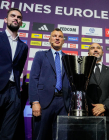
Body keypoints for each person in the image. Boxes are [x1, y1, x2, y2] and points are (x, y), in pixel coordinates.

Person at [29, 28, 71, 140]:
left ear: (63, 41)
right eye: (54, 36)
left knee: (62, 136)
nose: (57, 38)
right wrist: (35, 102)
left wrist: (70, 107)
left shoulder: (68, 59)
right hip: (43, 102)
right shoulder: (40, 55)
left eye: (60, 36)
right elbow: (33, 78)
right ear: (49, 39)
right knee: (41, 136)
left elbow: (71, 84)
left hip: (63, 103)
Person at [0, 8, 28, 140]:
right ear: (6, 20)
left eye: (19, 17)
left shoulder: (24, 46)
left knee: (8, 133)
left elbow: (19, 69)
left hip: (14, 92)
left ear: (21, 22)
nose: (16, 18)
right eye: (13, 16)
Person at [86, 43, 109, 140]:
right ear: (89, 53)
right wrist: (95, 109)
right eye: (92, 48)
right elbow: (82, 92)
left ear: (103, 52)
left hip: (108, 116)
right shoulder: (83, 71)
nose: (95, 50)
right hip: (89, 115)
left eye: (98, 48)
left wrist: (104, 106)